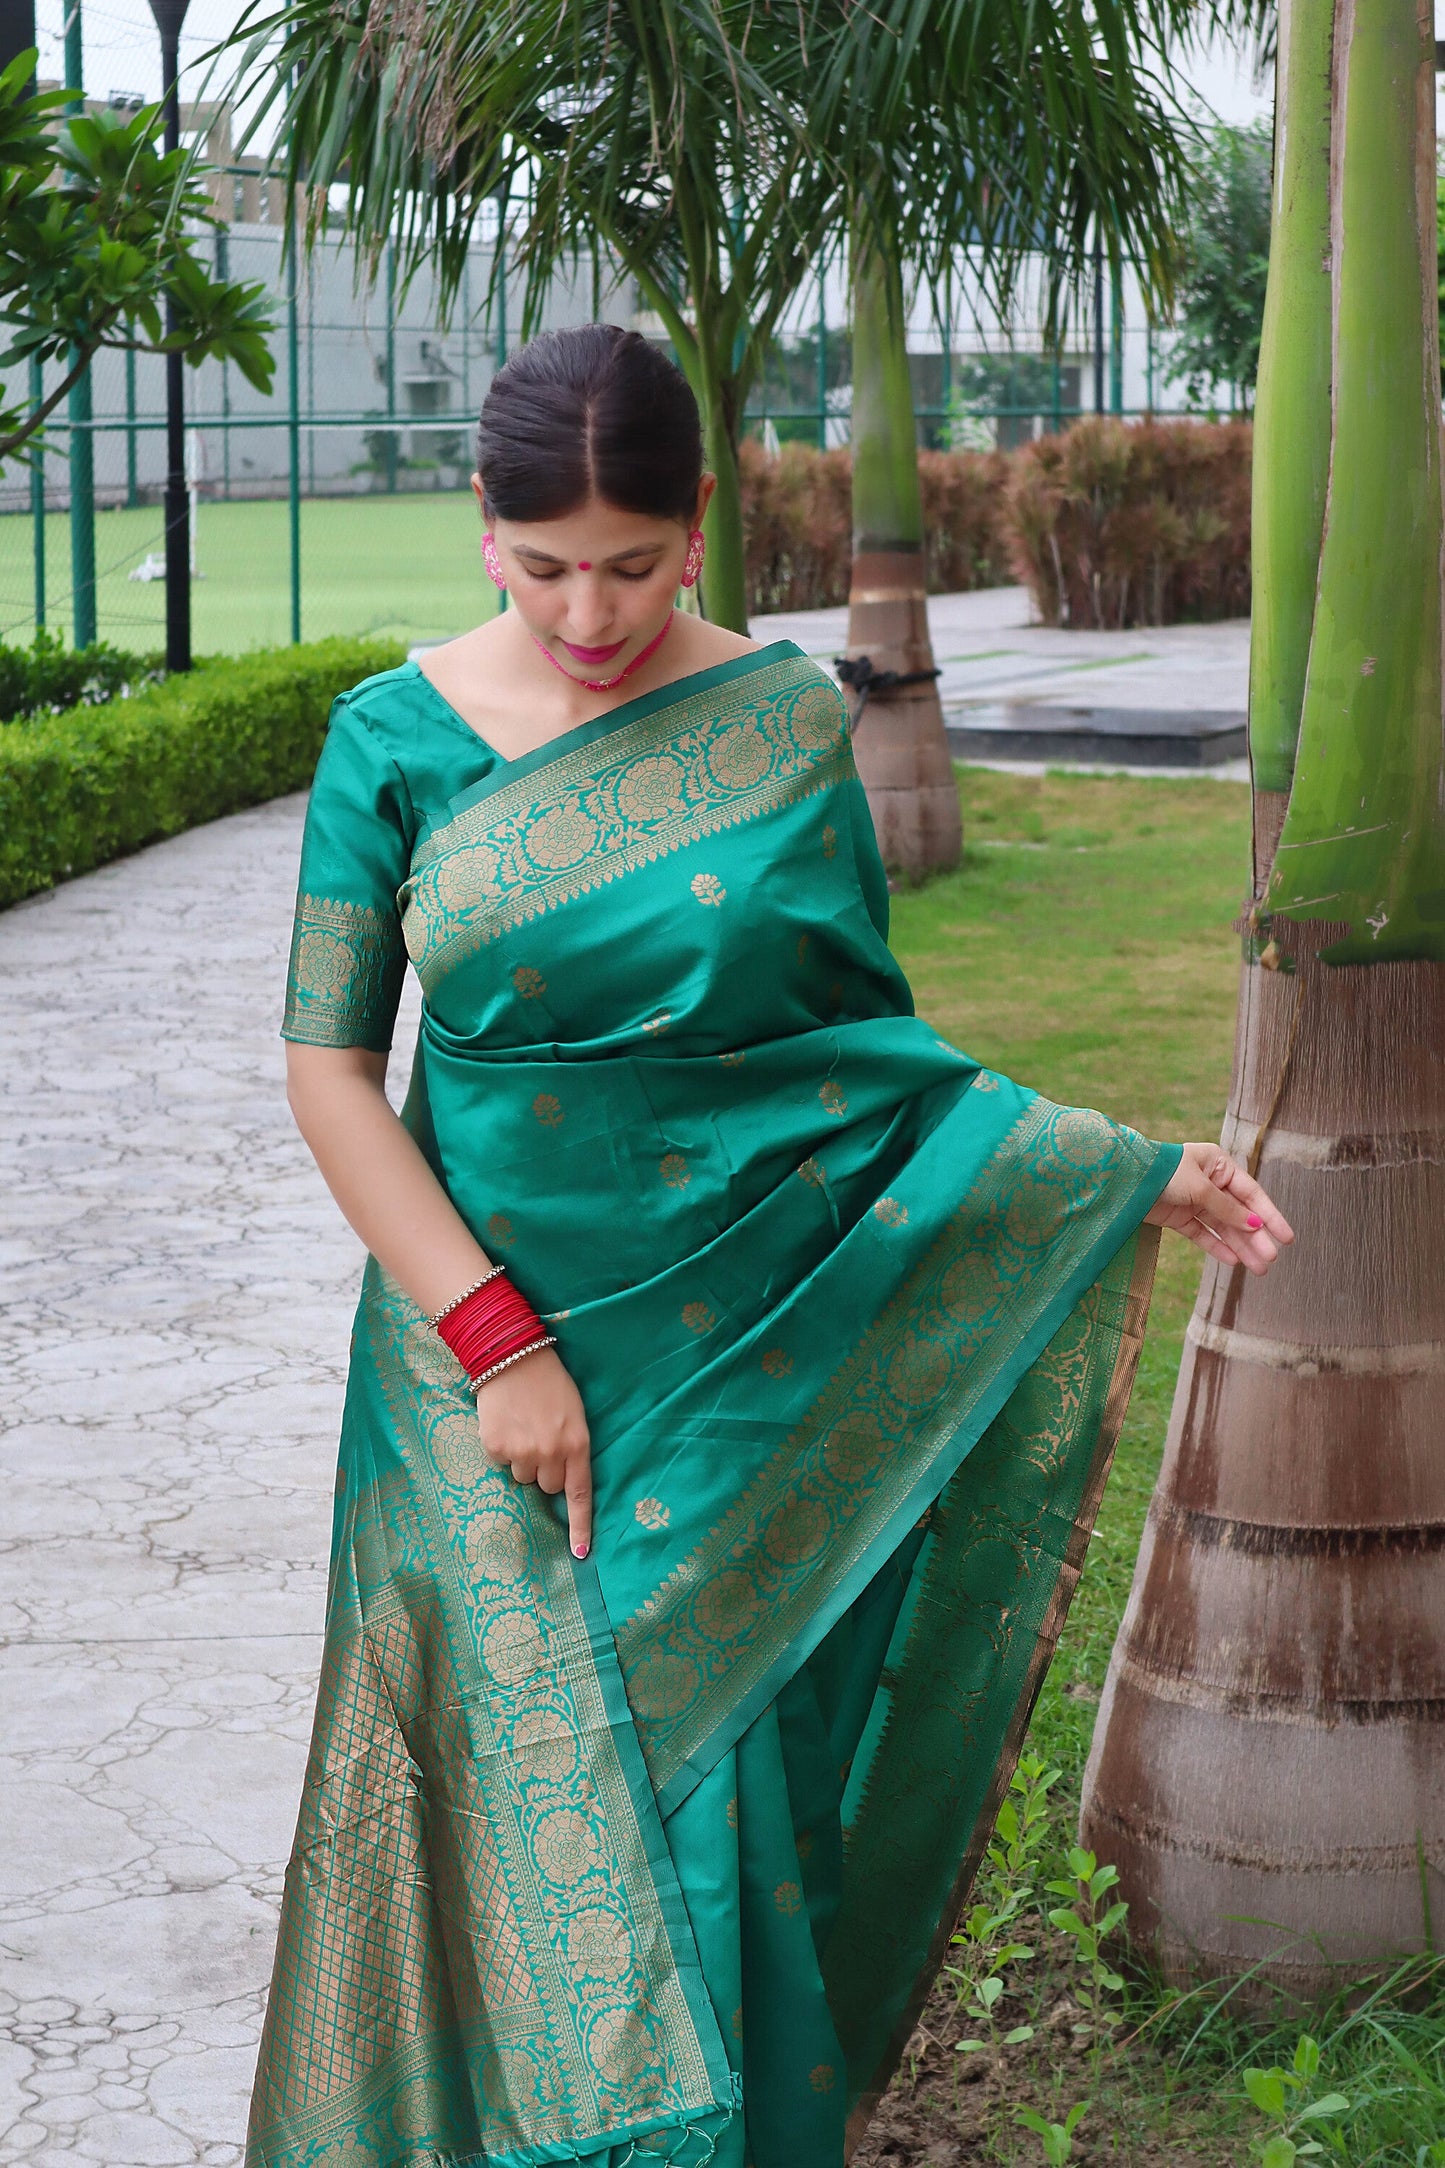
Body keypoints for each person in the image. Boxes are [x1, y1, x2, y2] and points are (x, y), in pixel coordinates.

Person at [249, 323, 1291, 2168]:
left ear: (701, 523)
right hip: (466, 1362)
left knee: (714, 1805)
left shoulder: (782, 723)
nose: (591, 612)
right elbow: (329, 1066)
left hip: (736, 1358)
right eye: (547, 564)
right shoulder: (390, 744)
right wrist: (497, 1342)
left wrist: (1116, 1170)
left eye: (634, 565)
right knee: (497, 1807)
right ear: (481, 528)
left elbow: (849, 1070)